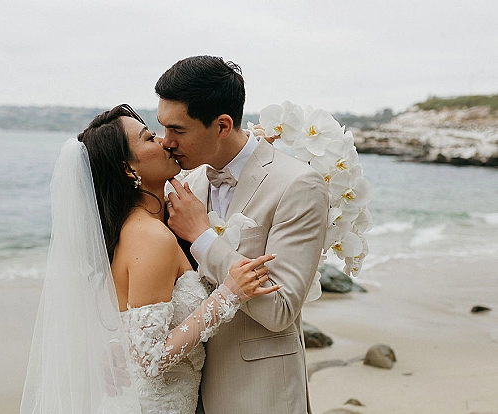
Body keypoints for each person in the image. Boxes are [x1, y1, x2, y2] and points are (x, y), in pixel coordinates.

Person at [20, 104, 280, 414]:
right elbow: (151, 359)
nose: (165, 141)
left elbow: (135, 332)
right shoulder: (149, 236)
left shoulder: (144, 227)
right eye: (148, 138)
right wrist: (228, 295)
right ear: (129, 170)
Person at [157, 56, 329, 413]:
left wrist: (202, 237)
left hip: (259, 393)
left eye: (178, 130)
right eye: (162, 127)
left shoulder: (298, 184)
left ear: (222, 125)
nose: (166, 142)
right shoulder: (190, 184)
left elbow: (280, 309)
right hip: (187, 391)